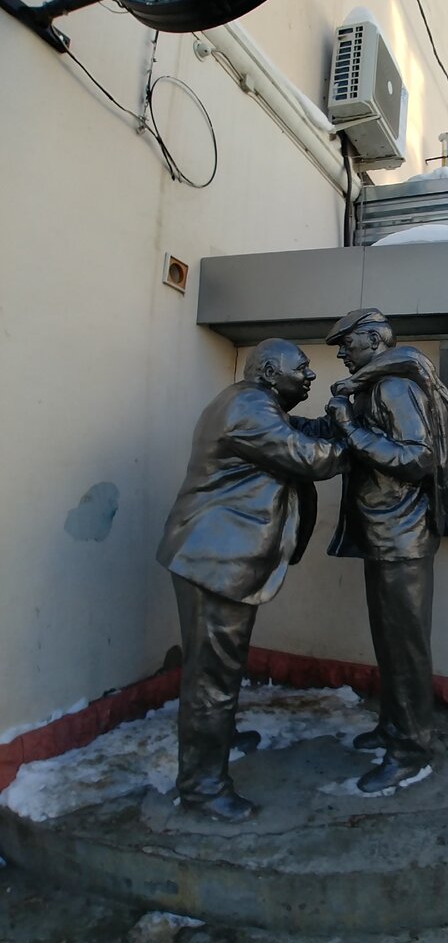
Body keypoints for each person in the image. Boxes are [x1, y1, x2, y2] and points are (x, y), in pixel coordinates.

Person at [157, 339, 345, 821]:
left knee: (215, 670)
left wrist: (341, 416)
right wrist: (360, 439)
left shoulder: (257, 405)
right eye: (302, 368)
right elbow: (310, 457)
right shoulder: (248, 406)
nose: (310, 376)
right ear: (268, 372)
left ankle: (218, 741)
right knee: (212, 678)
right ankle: (202, 787)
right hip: (214, 561)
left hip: (216, 558)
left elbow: (302, 431)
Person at [323, 308, 448, 793]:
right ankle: (393, 726)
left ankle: (410, 749)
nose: (342, 354)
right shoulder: (373, 386)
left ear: (373, 340)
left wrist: (349, 428)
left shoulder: (393, 387)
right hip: (385, 535)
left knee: (404, 648)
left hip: (402, 538)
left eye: (347, 344)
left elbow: (416, 458)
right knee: (389, 642)